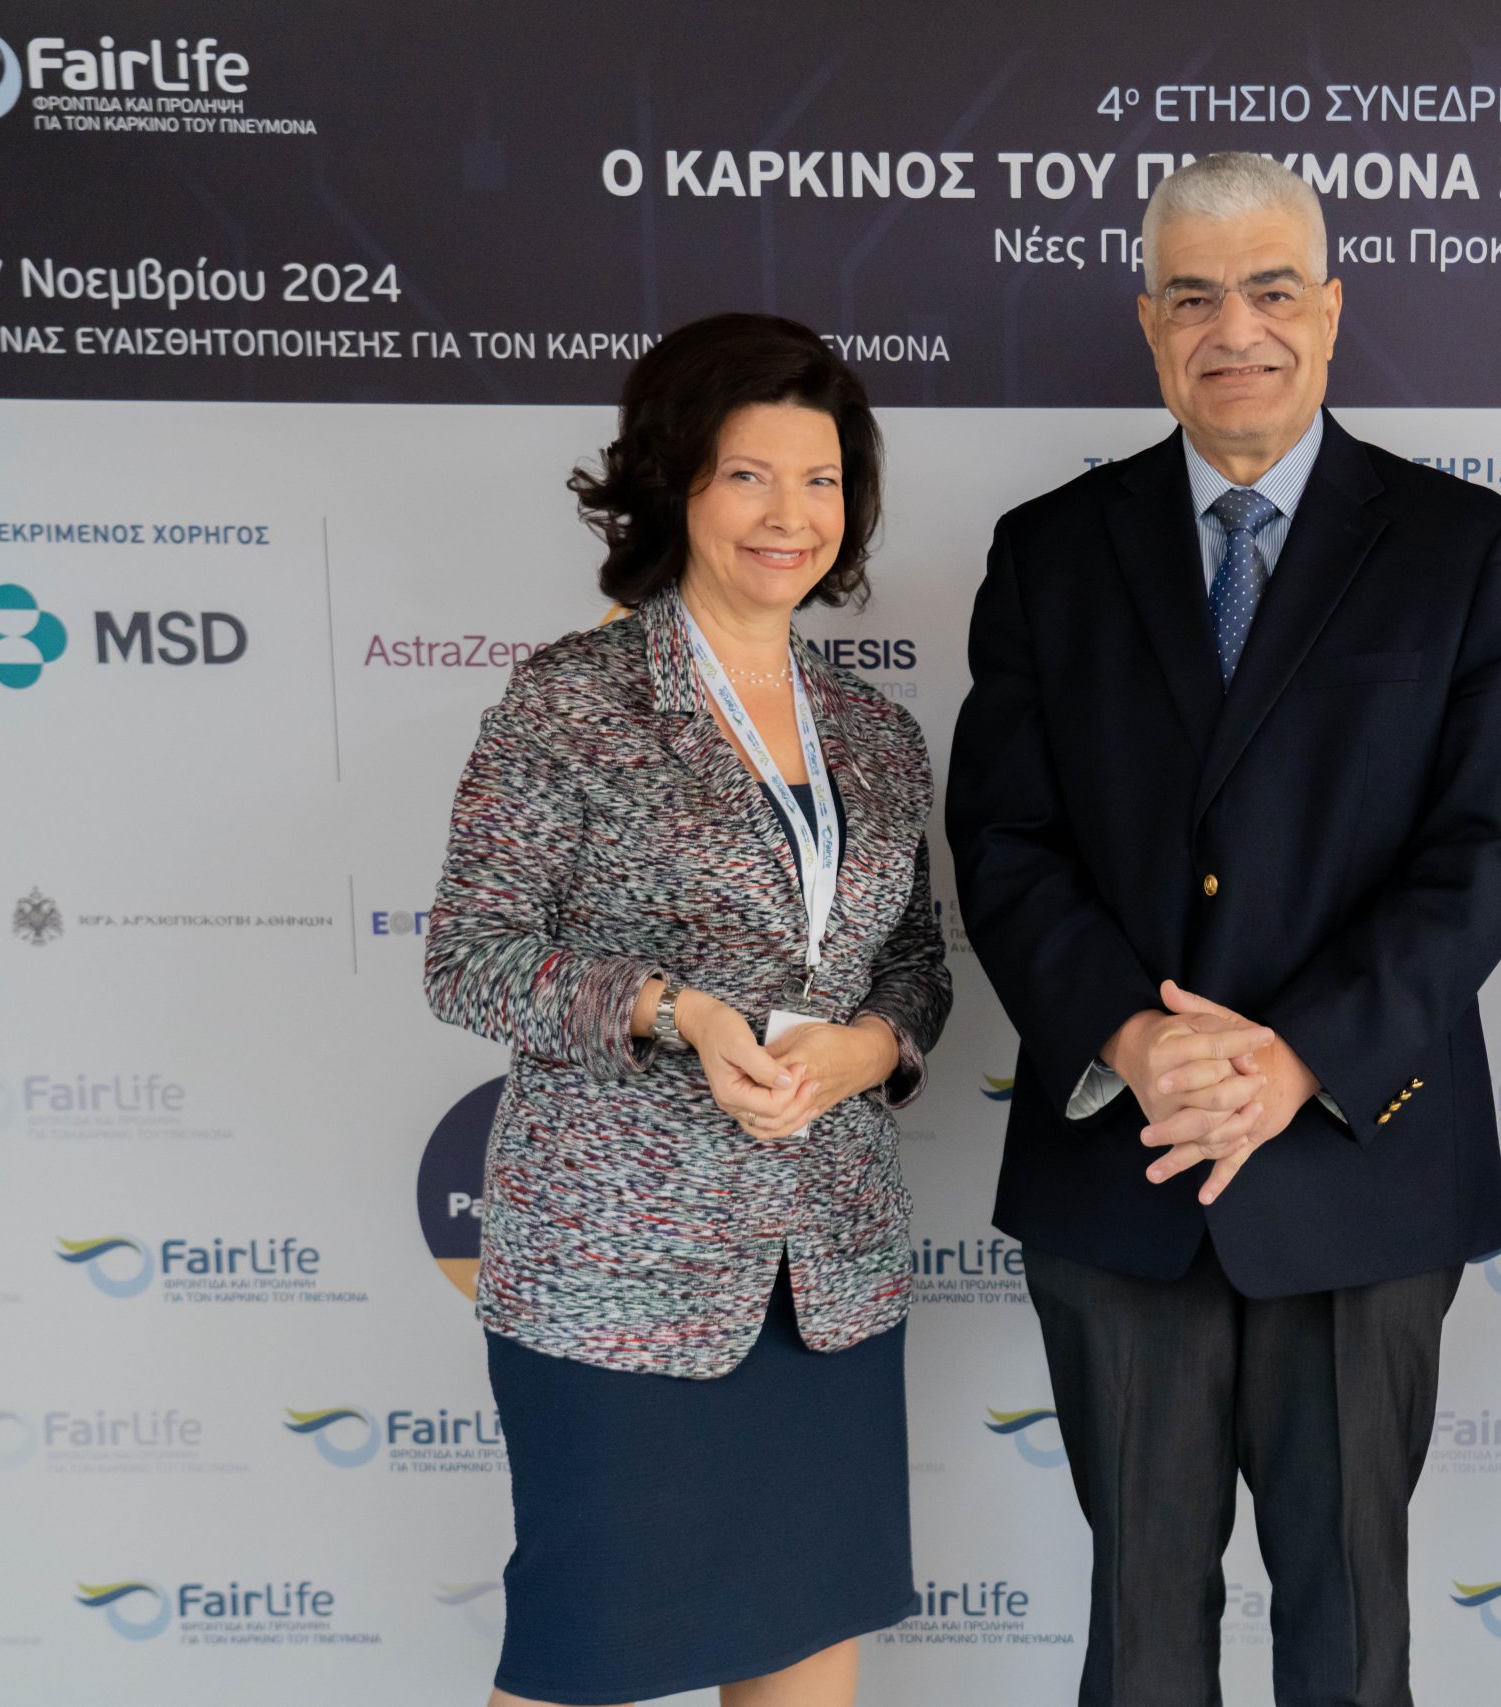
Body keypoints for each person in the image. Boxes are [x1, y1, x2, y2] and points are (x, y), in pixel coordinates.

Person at [946, 152, 1501, 1707]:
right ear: (1149, 322)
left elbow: (1480, 847)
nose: (1238, 329)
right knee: (1142, 1639)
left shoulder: (1465, 547)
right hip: (1123, 1162)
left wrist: (1296, 1060)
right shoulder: (1047, 550)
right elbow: (1005, 839)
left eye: (1274, 290)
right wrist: (1136, 1038)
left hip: (1359, 1164)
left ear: (1331, 311)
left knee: (1348, 1635)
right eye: (1197, 296)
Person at [424, 312, 950, 1707]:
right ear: (674, 486)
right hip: (617, 1269)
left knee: (807, 1634)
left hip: (827, 1268)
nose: (793, 515)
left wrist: (873, 1047)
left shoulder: (876, 733)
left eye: (822, 480)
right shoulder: (573, 701)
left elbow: (914, 961)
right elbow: (469, 956)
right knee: (586, 1654)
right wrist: (677, 1012)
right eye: (749, 475)